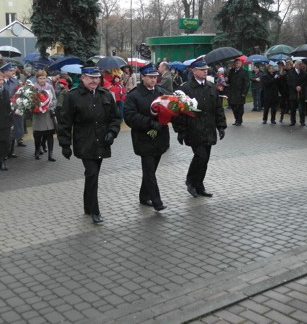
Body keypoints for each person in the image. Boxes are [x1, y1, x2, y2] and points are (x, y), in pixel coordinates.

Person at [57, 66, 122, 224]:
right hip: (84, 142)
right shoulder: (72, 96)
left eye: (97, 78)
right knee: (92, 174)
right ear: (83, 77)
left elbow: (115, 117)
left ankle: (87, 205)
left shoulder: (105, 94)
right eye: (91, 78)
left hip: (102, 142)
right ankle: (95, 210)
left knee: (92, 175)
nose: (94, 81)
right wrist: (65, 144)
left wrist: (112, 132)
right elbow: (64, 122)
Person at [172, 59, 227, 198]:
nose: (205, 71)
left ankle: (199, 184)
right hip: (193, 129)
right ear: (193, 71)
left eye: (206, 69)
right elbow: (177, 112)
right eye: (202, 69)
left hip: (208, 128)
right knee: (200, 156)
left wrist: (221, 126)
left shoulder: (211, 86)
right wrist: (180, 131)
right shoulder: (185, 89)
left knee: (205, 158)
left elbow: (218, 108)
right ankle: (191, 182)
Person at [123, 63, 170, 211]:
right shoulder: (133, 96)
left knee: (151, 170)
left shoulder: (161, 92)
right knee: (149, 171)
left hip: (160, 137)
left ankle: (144, 196)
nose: (153, 80)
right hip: (143, 139)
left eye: (155, 77)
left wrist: (166, 120)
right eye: (150, 77)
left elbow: (169, 110)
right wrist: (150, 123)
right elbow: (130, 117)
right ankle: (157, 201)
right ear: (142, 77)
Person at [32, 70, 58, 161]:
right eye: (40, 78)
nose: (43, 80)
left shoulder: (49, 87)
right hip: (38, 116)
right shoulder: (33, 88)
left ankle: (50, 154)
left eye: (44, 78)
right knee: (38, 136)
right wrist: (38, 106)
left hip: (48, 115)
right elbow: (31, 102)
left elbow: (54, 99)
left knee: (50, 135)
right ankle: (37, 150)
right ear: (37, 79)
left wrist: (48, 106)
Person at [1, 63, 23, 158]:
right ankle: (4, 151)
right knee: (6, 131)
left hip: (14, 109)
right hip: (4, 110)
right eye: (10, 71)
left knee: (14, 131)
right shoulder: (1, 82)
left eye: (12, 70)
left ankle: (11, 151)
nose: (12, 72)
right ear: (4, 72)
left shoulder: (15, 81)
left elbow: (19, 94)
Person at [227, 58, 249, 126]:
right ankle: (236, 118)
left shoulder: (244, 71)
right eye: (236, 63)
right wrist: (226, 80)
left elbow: (246, 83)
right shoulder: (231, 71)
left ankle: (239, 120)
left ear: (241, 64)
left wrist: (244, 93)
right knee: (233, 106)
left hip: (240, 92)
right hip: (232, 92)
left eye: (238, 63)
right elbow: (229, 81)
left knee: (240, 107)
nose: (237, 64)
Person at [286, 60, 307, 126]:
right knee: (293, 108)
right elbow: (289, 82)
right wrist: (295, 87)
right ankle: (293, 121)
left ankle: (302, 121)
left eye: (301, 64)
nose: (300, 65)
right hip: (293, 93)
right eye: (299, 64)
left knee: (301, 108)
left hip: (301, 92)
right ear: (295, 65)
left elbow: (306, 81)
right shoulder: (290, 72)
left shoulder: (303, 72)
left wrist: (301, 87)